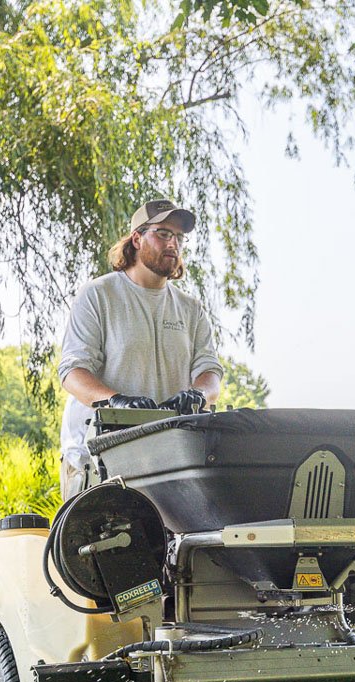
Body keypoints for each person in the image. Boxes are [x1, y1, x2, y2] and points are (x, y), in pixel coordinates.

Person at [56, 198, 224, 498]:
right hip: (97, 456)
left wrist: (198, 395)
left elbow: (210, 373)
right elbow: (72, 372)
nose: (173, 243)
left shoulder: (190, 309)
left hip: (166, 459)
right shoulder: (98, 295)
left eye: (179, 238)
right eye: (163, 234)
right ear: (137, 238)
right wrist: (115, 402)